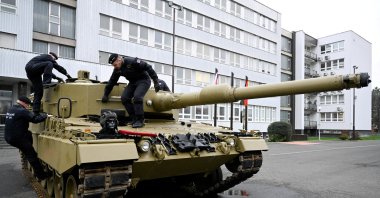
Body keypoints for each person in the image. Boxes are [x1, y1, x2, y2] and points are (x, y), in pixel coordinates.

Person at [102, 54, 160, 128]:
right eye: (113, 65)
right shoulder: (117, 69)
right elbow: (112, 81)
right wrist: (106, 94)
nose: (115, 66)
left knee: (137, 97)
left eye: (115, 64)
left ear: (119, 60)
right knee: (124, 98)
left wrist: (156, 81)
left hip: (143, 80)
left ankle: (140, 120)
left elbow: (148, 67)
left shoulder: (132, 61)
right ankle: (134, 118)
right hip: (133, 82)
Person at [4, 96, 50, 180]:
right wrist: (45, 115)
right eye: (28, 104)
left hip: (9, 137)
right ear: (23, 103)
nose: (28, 106)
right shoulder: (22, 111)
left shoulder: (12, 109)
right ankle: (41, 175)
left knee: (28, 134)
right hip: (18, 138)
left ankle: (28, 150)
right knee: (32, 155)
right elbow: (35, 119)